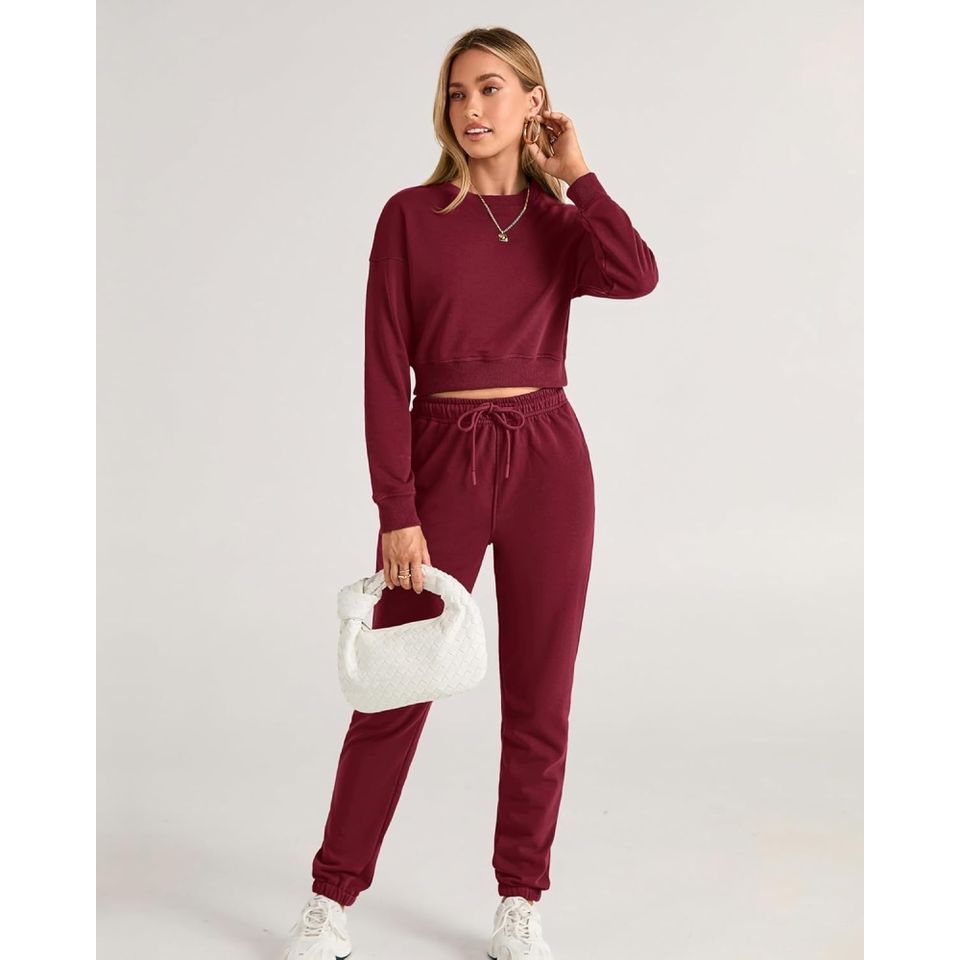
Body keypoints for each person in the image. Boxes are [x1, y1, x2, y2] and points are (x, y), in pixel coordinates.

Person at [280, 25, 658, 960]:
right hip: (442, 457)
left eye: (492, 89)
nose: (471, 108)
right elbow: (382, 373)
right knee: (393, 691)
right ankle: (331, 898)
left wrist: (579, 175)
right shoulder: (410, 217)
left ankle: (520, 899)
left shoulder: (562, 226)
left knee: (540, 695)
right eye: (457, 93)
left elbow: (637, 274)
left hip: (548, 461)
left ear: (535, 102)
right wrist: (396, 510)